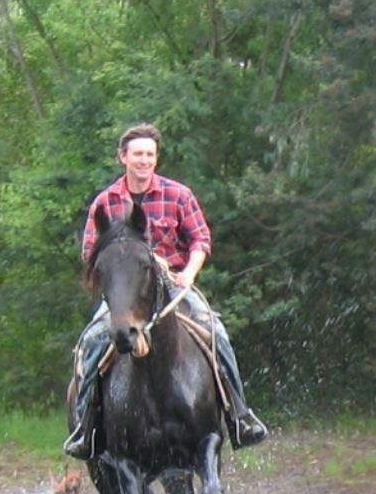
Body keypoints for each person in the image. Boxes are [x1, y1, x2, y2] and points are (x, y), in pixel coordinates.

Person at [64, 124, 268, 457]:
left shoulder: (178, 195)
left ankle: (240, 415)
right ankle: (85, 427)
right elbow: (91, 251)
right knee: (91, 342)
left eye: (149, 154)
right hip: (125, 295)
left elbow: (200, 239)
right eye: (137, 154)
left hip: (173, 287)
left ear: (156, 158)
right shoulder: (105, 202)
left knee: (216, 331)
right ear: (123, 158)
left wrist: (188, 272)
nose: (144, 160)